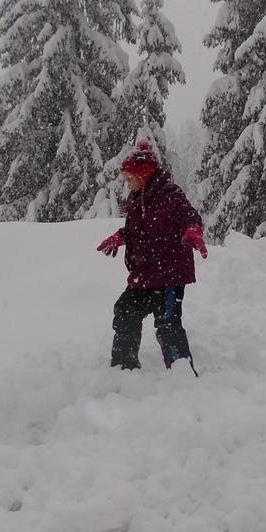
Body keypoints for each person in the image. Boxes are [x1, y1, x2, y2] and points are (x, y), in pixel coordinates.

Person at [96, 141, 208, 374]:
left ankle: (182, 374)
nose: (128, 184)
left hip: (169, 276)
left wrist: (193, 230)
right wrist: (120, 237)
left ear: (143, 174)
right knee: (125, 310)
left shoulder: (169, 194)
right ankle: (123, 368)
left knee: (167, 324)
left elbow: (188, 215)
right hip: (145, 275)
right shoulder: (137, 200)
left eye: (130, 178)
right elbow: (139, 230)